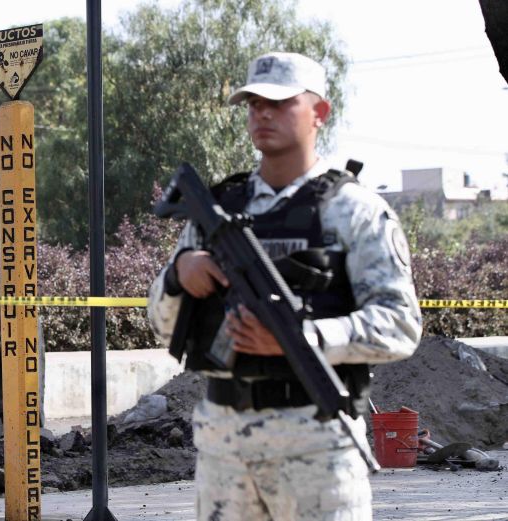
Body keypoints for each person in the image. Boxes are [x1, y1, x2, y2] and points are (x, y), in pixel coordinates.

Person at [147, 52, 422, 520]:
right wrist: (178, 275)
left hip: (316, 445)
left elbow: (400, 325)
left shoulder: (355, 211)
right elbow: (159, 324)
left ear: (320, 113)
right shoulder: (216, 211)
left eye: (279, 102)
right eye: (253, 103)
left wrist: (304, 339)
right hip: (224, 448)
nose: (262, 114)